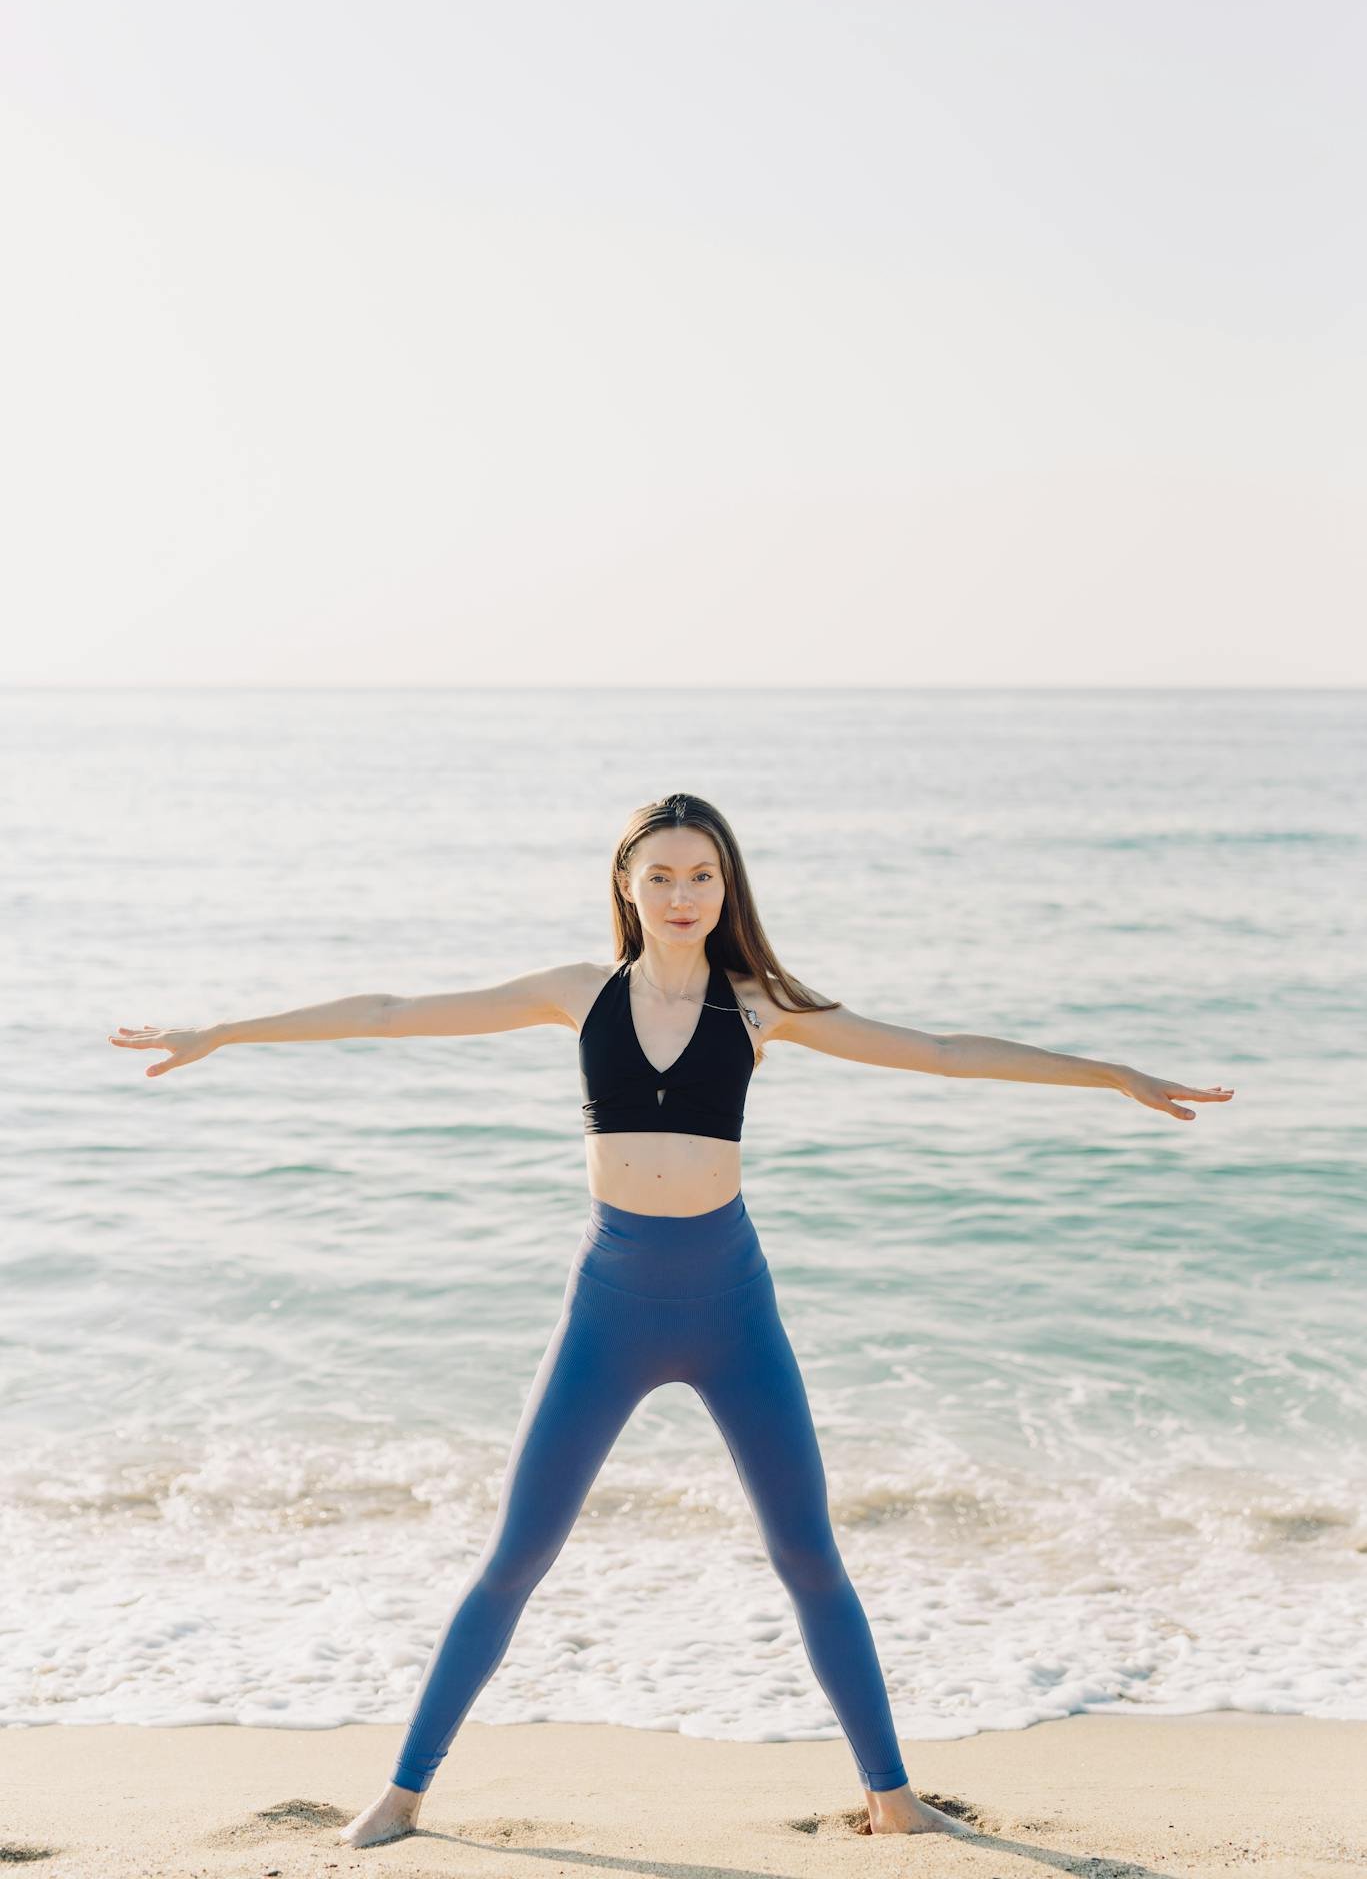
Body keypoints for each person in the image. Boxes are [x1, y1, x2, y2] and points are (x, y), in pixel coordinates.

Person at [109, 791, 1233, 1849]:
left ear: (726, 885)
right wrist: (224, 1030)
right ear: (627, 882)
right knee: (516, 1554)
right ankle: (402, 1792)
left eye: (703, 873)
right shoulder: (574, 990)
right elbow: (391, 1012)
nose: (684, 891)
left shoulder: (759, 1005)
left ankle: (892, 1798)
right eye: (662, 874)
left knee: (804, 1550)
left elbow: (940, 1051)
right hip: (608, 1305)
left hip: (730, 1306)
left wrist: (1108, 1074)